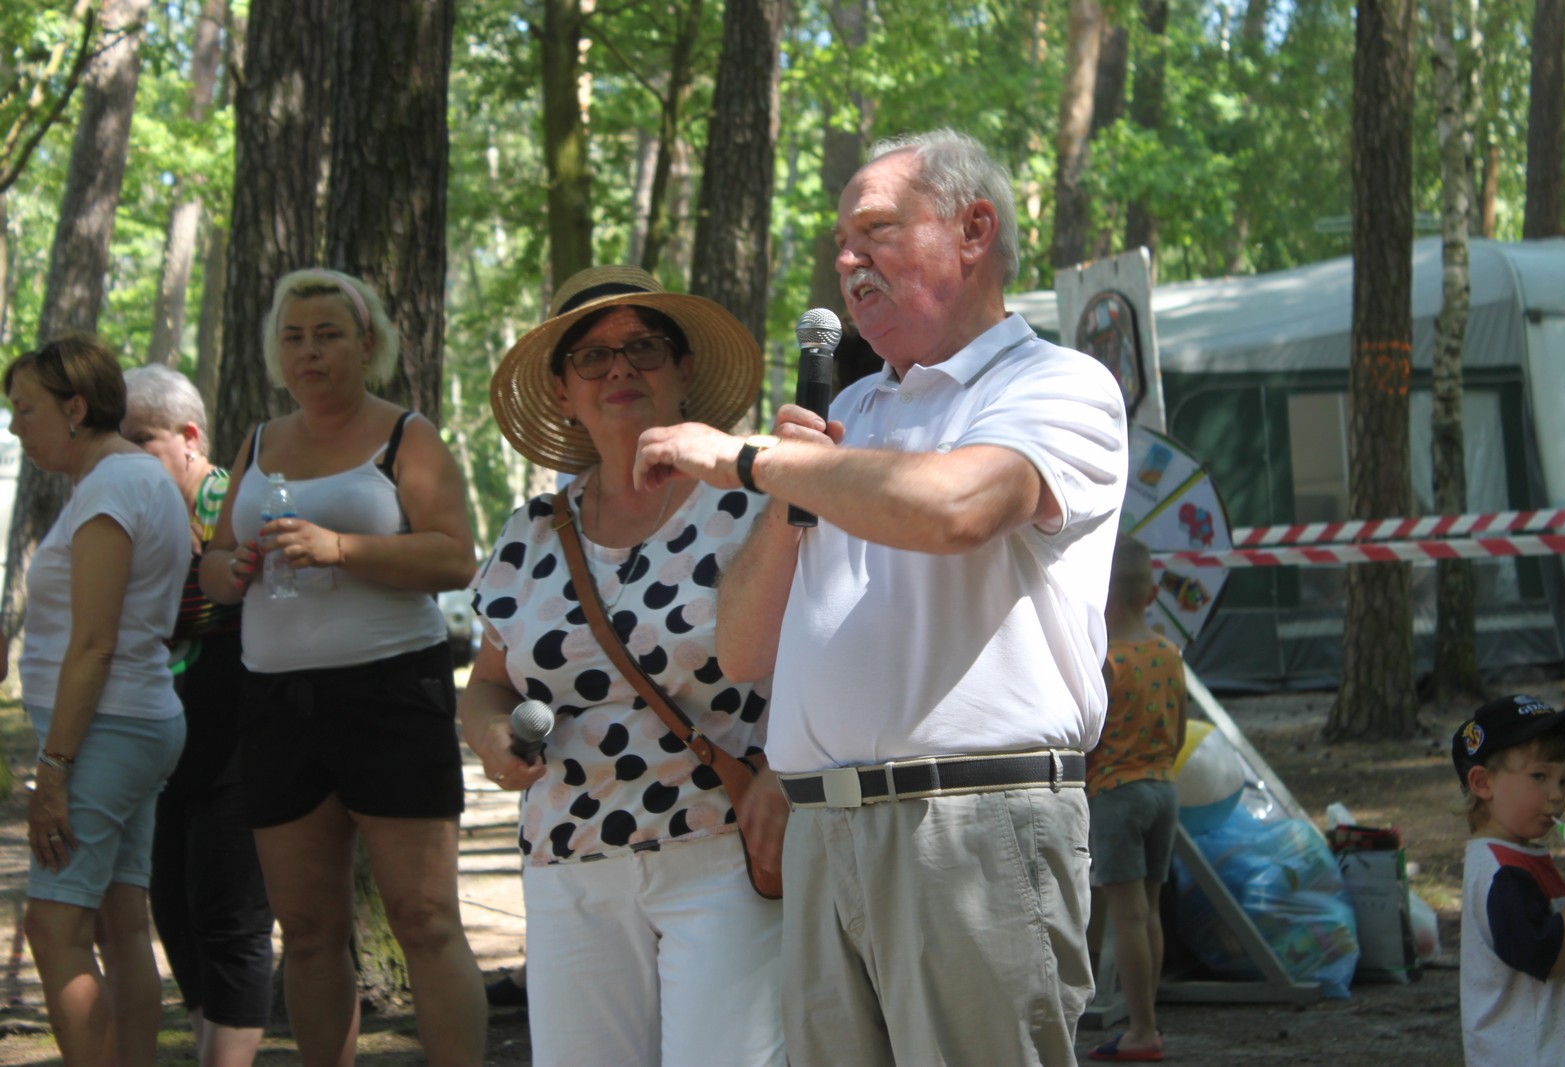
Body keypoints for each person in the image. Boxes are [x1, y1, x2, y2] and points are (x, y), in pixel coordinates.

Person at [633, 129, 1129, 1064]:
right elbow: (740, 651)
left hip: (971, 828)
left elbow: (958, 507)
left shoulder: (1056, 382)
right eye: (840, 244)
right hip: (825, 832)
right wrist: (791, 490)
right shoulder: (847, 419)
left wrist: (749, 459)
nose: (846, 262)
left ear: (973, 230)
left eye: (875, 232)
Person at [459, 264, 783, 1066]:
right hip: (568, 862)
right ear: (563, 390)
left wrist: (785, 769)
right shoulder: (529, 533)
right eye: (592, 357)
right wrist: (493, 737)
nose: (620, 369)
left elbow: (825, 659)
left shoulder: (755, 505)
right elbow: (487, 687)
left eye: (643, 346)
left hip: (724, 851)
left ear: (685, 370)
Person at [197, 268, 485, 1067]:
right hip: (277, 701)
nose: (309, 350)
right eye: (293, 336)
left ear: (368, 344)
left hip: (392, 692)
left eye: (328, 333)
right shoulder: (257, 442)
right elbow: (216, 564)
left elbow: (456, 557)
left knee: (424, 917)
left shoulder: (407, 436)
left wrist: (339, 547)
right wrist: (232, 568)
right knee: (310, 930)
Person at [8, 335, 191, 1065]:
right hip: (132, 722)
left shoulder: (115, 486)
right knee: (120, 921)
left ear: (75, 407)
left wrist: (53, 770)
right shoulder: (131, 480)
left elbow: (95, 642)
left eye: (25, 409)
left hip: (106, 729)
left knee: (53, 928)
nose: (16, 425)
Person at [122, 364, 274, 1067]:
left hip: (238, 731)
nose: (125, 458)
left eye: (140, 441)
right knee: (173, 905)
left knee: (228, 912)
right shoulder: (145, 512)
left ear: (188, 437)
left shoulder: (231, 504)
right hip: (169, 739)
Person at [1452, 694, 1565, 1066]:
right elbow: (1551, 956)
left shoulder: (1521, 858)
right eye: (1540, 776)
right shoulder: (1501, 872)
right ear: (1483, 783)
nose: (1557, 795)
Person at [1084, 534, 1186, 1063]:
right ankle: (1149, 1017)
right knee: (1149, 911)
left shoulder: (1106, 662)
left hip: (1116, 795)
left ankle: (1140, 1029)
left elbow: (1090, 741)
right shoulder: (1169, 653)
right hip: (1163, 788)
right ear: (1150, 595)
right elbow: (1179, 730)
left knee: (1124, 917)